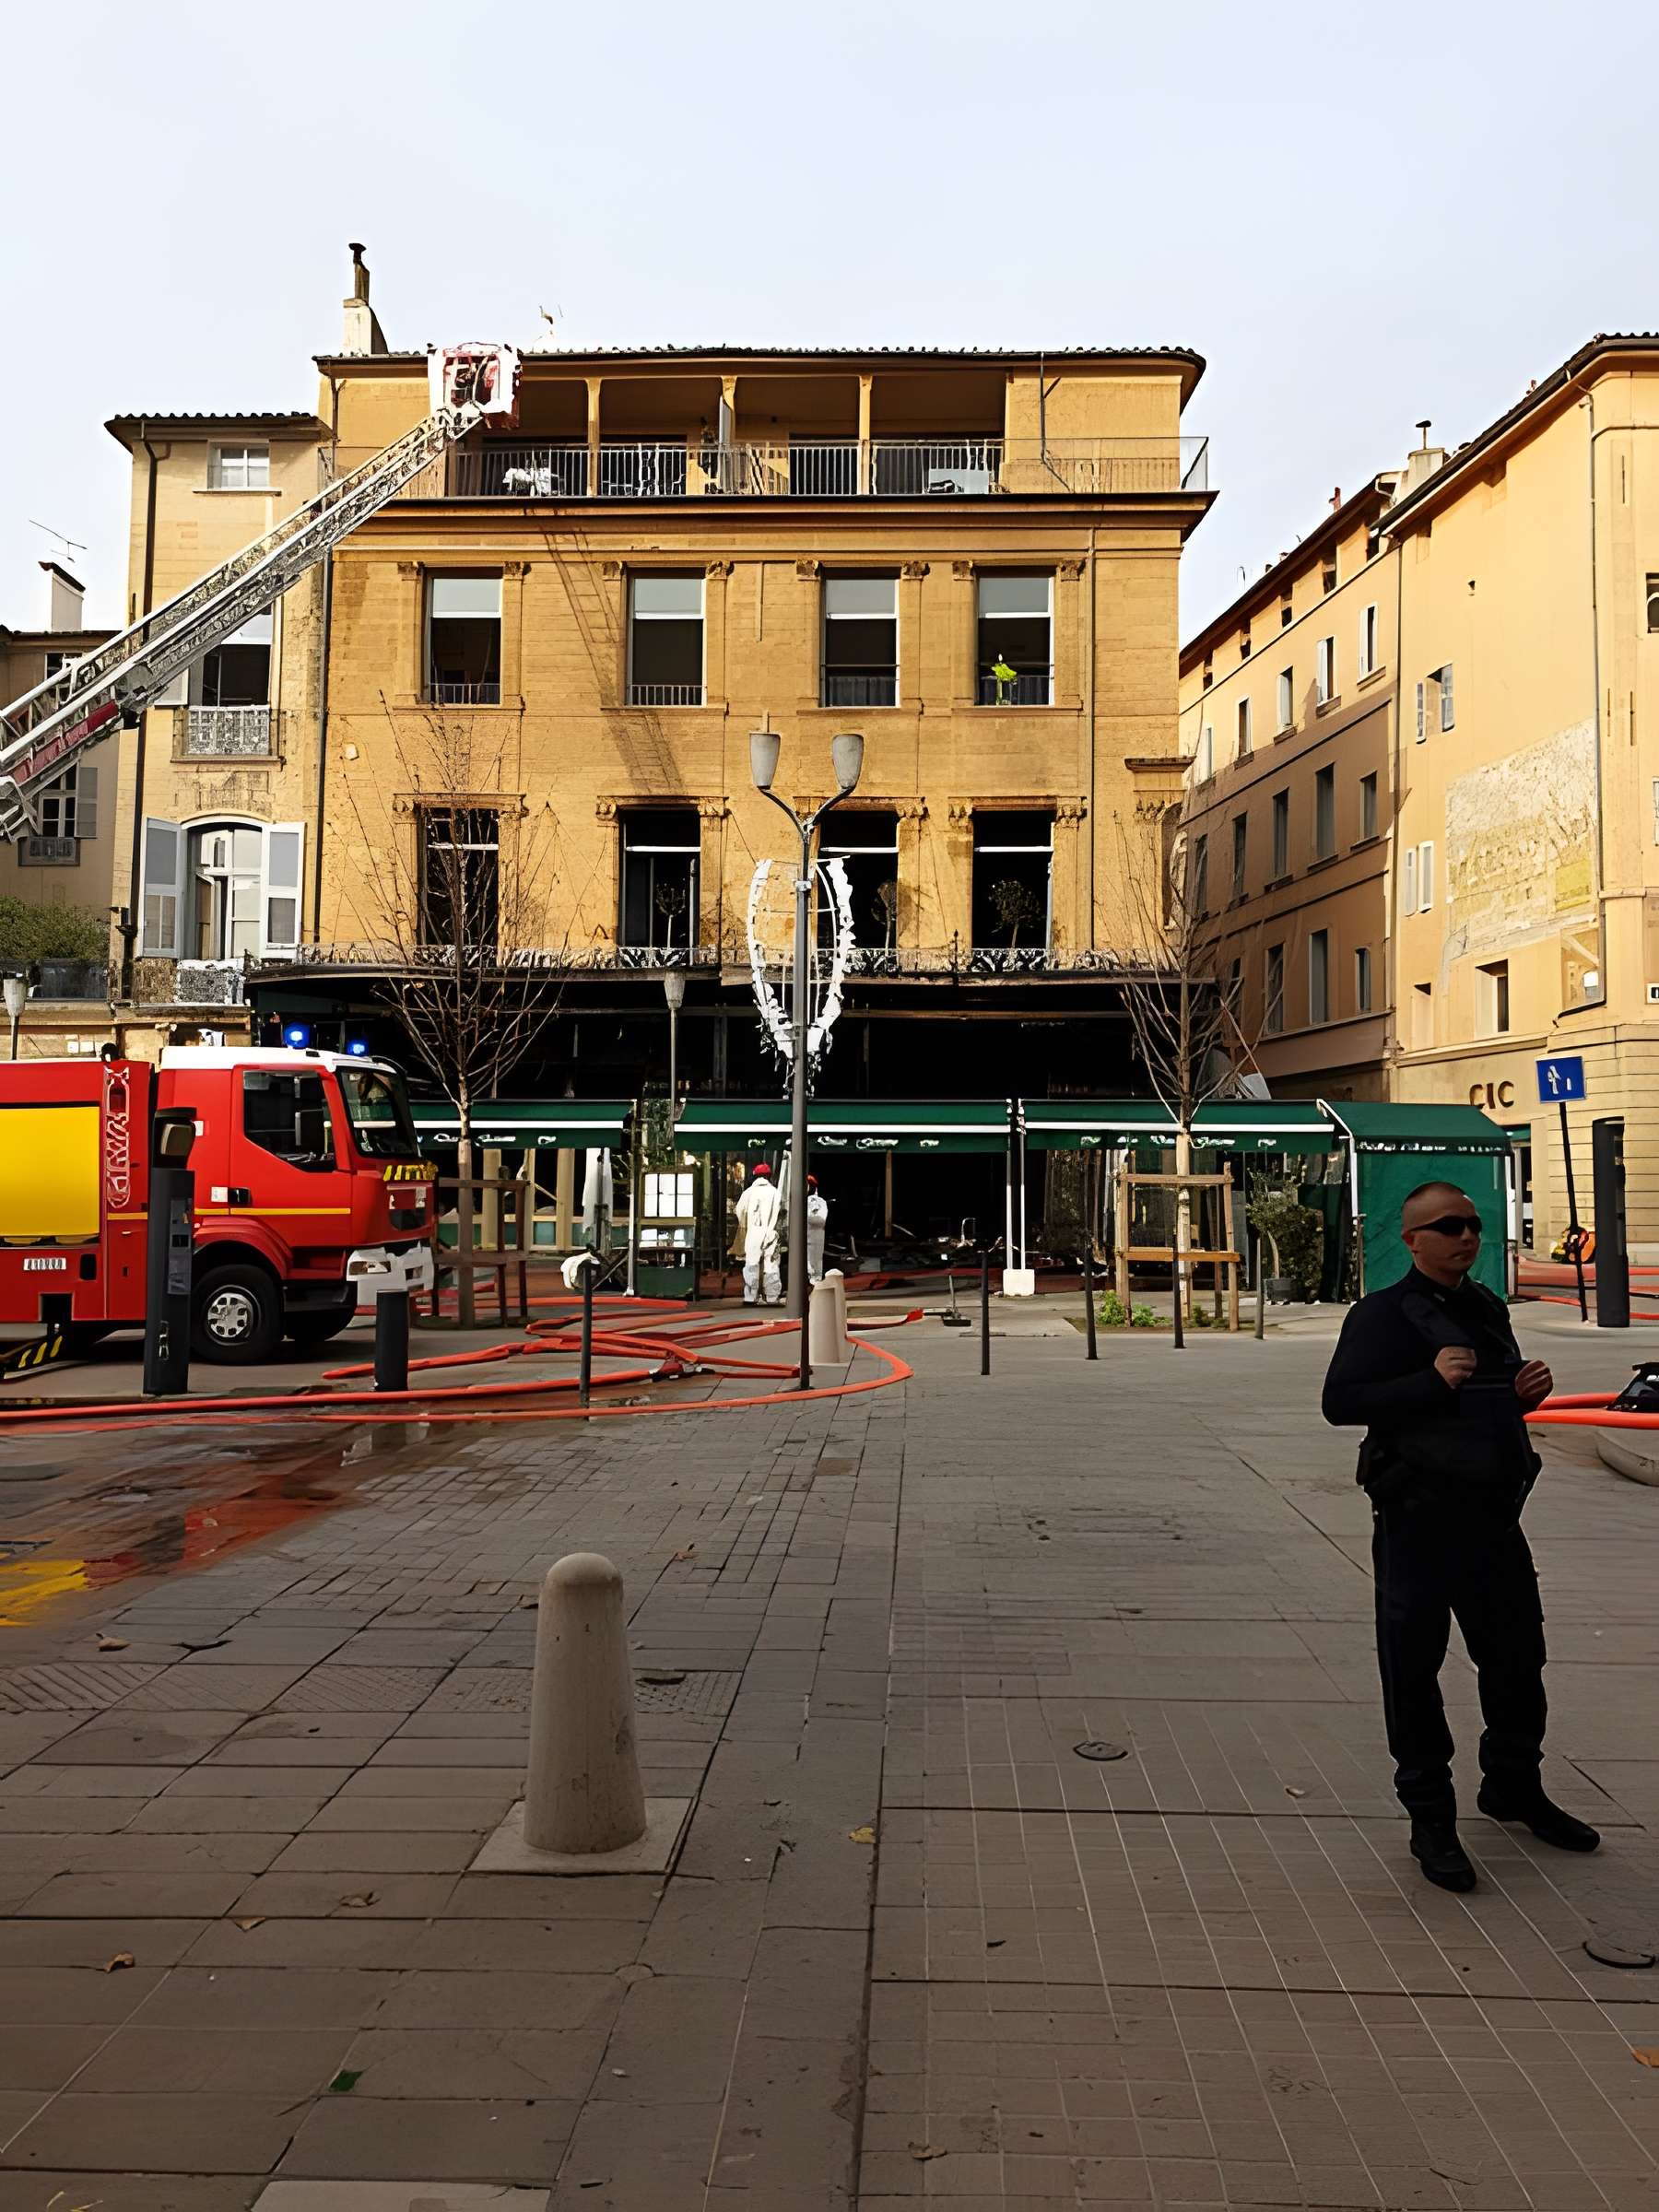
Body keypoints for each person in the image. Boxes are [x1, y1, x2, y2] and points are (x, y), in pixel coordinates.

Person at [1323, 1182, 1598, 1891]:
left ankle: (1512, 1786)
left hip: (1493, 1518)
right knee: (1413, 1670)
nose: (1465, 1237)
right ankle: (1430, 1816)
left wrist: (1522, 1392)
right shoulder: (1381, 1315)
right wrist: (1428, 1381)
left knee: (1517, 1661)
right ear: (1412, 1239)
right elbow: (1341, 1403)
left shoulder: (1485, 1307)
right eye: (1448, 1226)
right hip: (1417, 1520)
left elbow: (1486, 1398)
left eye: (1472, 1225)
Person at [735, 1159, 782, 1306]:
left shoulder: (748, 1192)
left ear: (755, 1176)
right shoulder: (775, 1192)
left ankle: (751, 1296)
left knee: (752, 1264)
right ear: (769, 1176)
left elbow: (739, 1211)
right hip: (771, 1232)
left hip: (753, 1232)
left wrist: (747, 1224)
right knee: (771, 1265)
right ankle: (772, 1297)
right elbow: (781, 1212)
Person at [806, 1174, 829, 1284]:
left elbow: (821, 1220)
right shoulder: (800, 1201)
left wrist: (805, 1217)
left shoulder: (820, 1202)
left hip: (815, 1237)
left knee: (815, 1262)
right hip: (805, 1236)